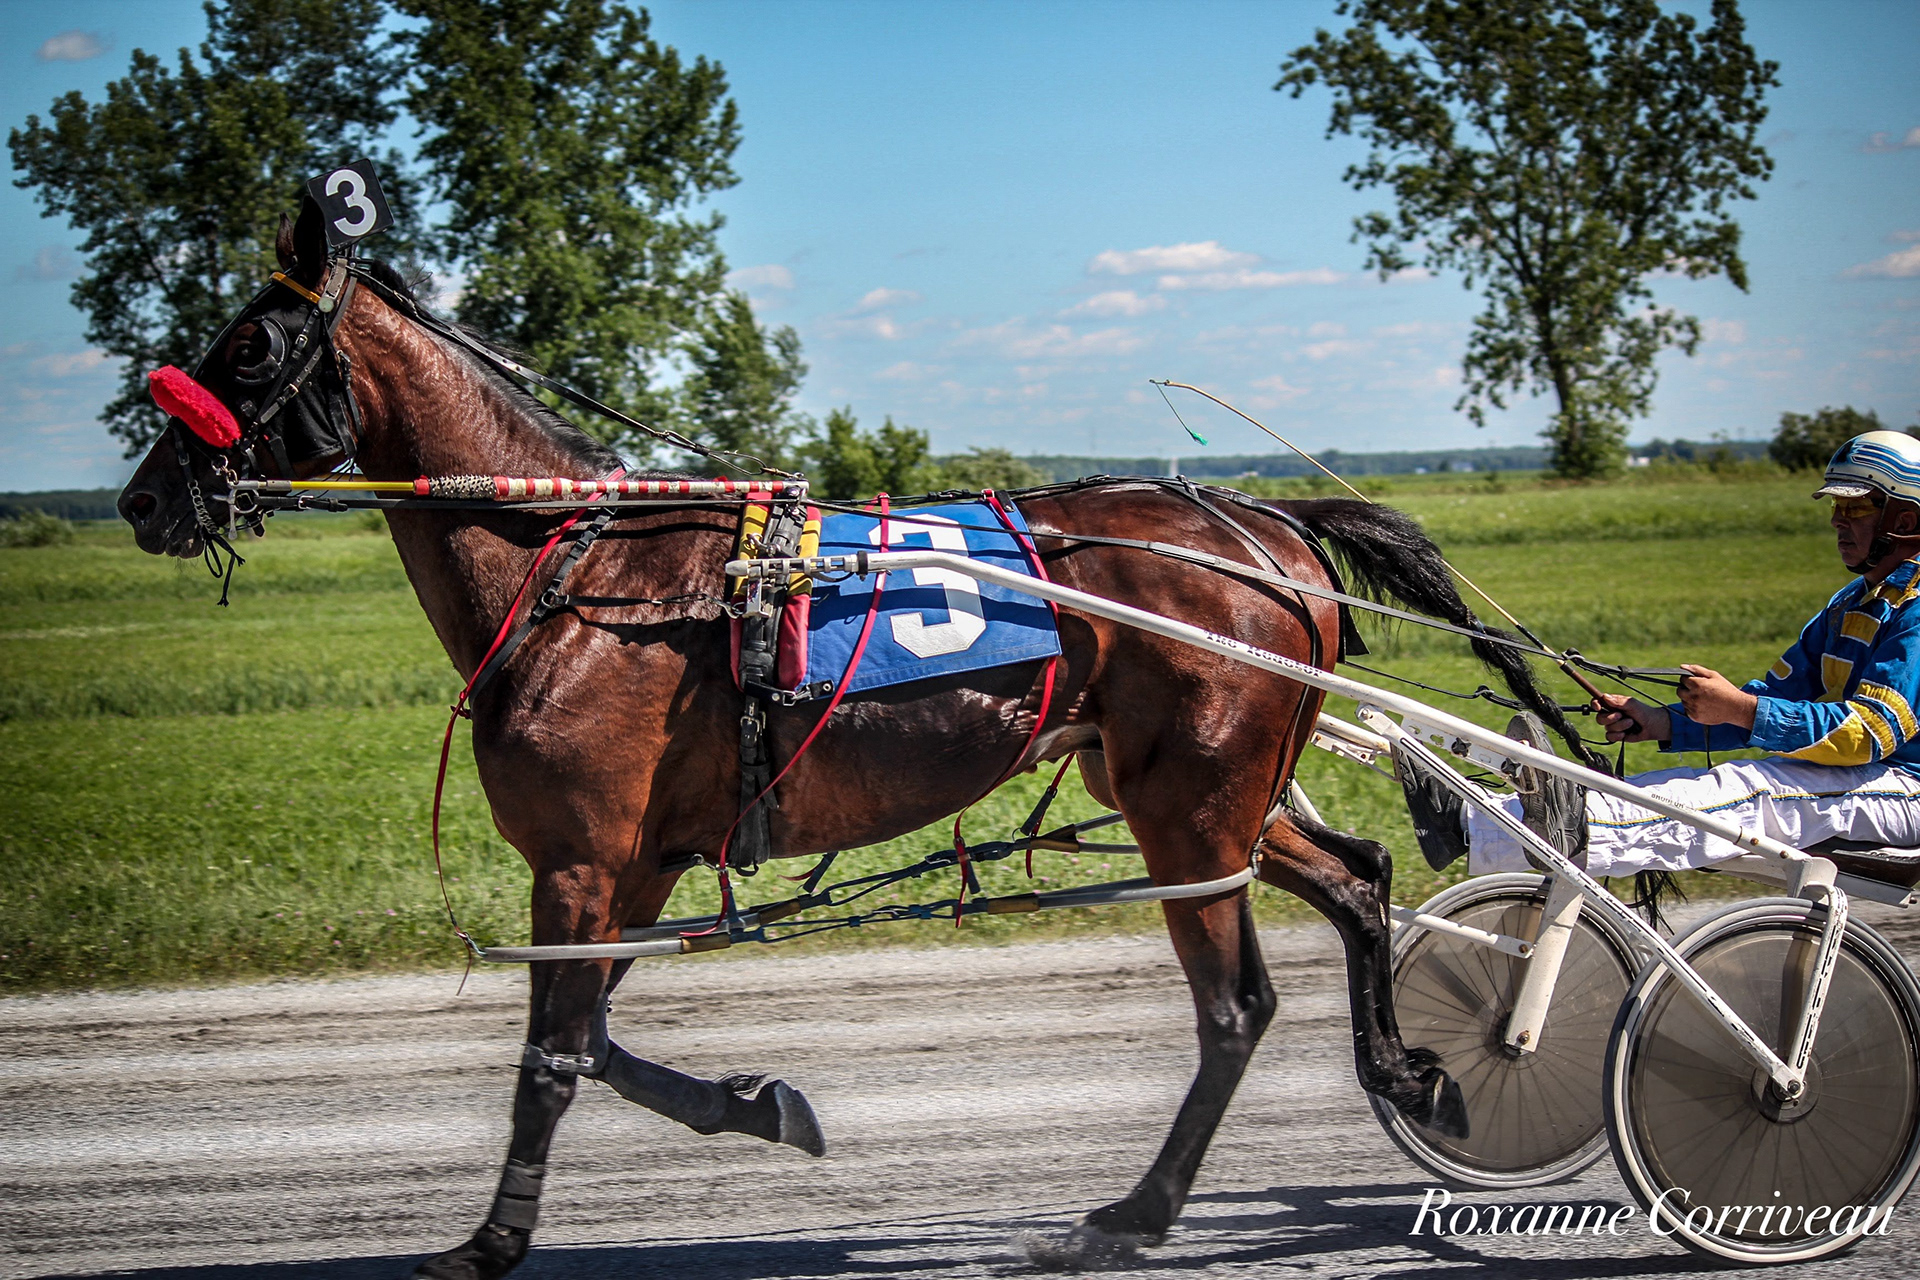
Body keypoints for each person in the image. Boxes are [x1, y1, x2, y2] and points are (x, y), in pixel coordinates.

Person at [1401, 430, 1920, 878]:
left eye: (1856, 507)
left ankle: (1519, 830)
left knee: (1750, 791)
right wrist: (1663, 723)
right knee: (1683, 786)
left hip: (1907, 787)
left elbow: (1869, 733)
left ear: (1906, 516)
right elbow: (1769, 702)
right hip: (1869, 780)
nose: (1837, 520)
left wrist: (1738, 708)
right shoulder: (1851, 604)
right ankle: (1474, 823)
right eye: (1835, 506)